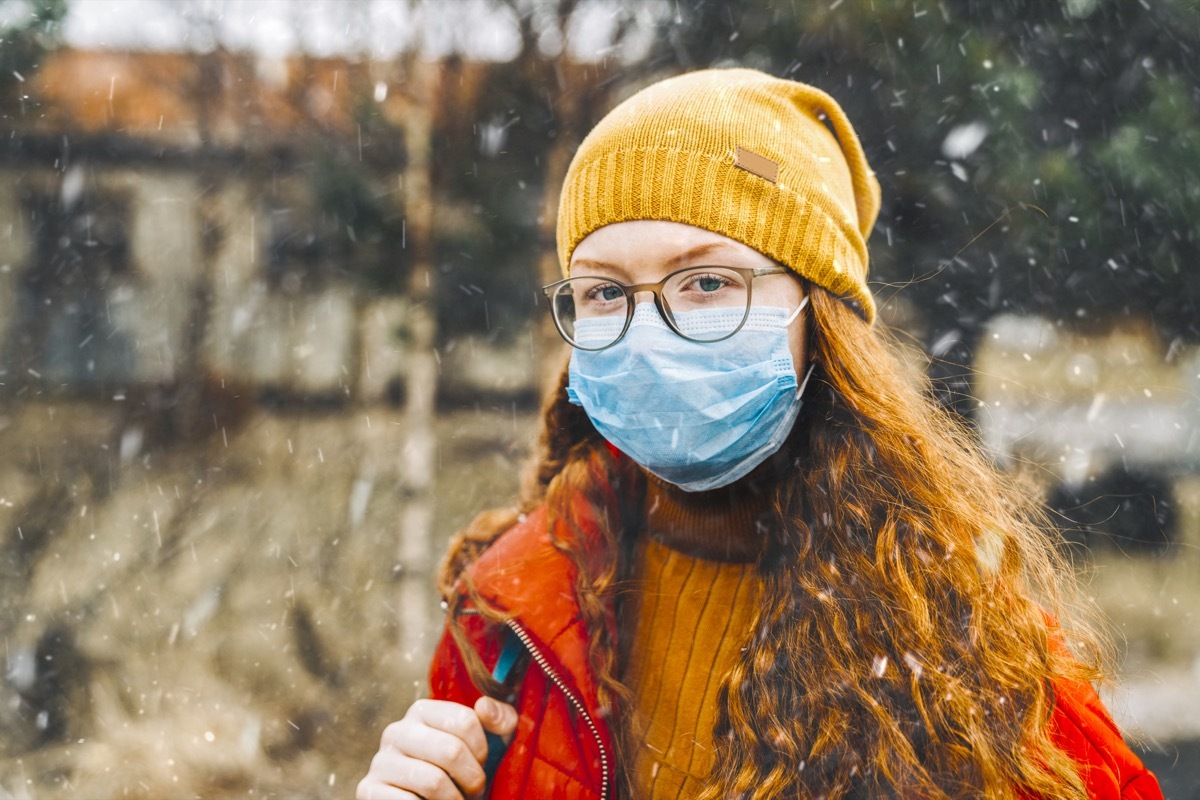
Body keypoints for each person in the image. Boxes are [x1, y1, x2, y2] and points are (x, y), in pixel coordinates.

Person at [358, 69, 1163, 800]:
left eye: (706, 282)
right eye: (604, 292)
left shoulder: (961, 646)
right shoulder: (509, 626)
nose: (648, 331)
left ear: (823, 321)